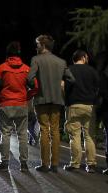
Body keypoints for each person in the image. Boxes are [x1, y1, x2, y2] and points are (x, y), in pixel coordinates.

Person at [27, 34, 74, 173]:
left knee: (44, 130)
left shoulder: (36, 59)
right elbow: (72, 79)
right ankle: (55, 164)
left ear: (43, 45)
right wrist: (62, 84)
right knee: (55, 131)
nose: (36, 47)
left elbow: (29, 78)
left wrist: (35, 87)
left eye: (37, 44)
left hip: (41, 99)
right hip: (57, 100)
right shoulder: (61, 61)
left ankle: (45, 164)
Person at [0, 41, 31, 172]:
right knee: (22, 134)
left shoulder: (1, 68)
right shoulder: (26, 69)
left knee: (5, 133)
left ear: (7, 54)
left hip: (6, 104)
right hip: (21, 104)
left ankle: (4, 162)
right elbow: (36, 85)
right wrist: (27, 96)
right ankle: (24, 163)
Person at [63, 50, 99, 173]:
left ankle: (75, 164)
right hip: (89, 106)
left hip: (74, 105)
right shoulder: (92, 71)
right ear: (83, 58)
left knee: (75, 136)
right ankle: (91, 164)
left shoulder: (69, 70)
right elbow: (97, 88)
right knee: (89, 136)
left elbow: (64, 87)